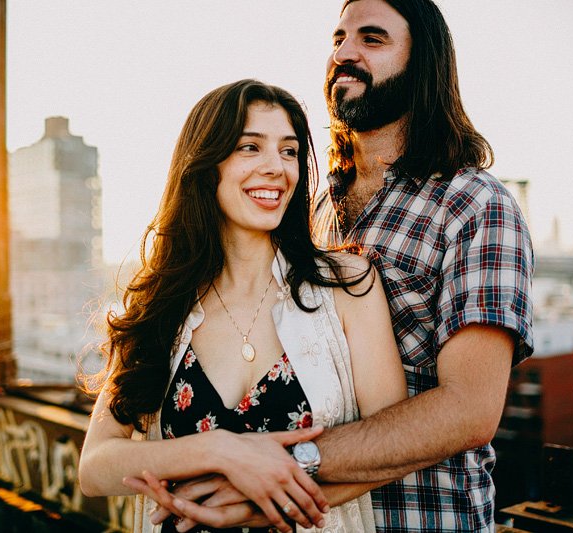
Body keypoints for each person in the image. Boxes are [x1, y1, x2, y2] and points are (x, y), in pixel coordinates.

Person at [129, 1, 534, 531]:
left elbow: (470, 409)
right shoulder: (311, 210)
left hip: (423, 519)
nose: (344, 53)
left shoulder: (474, 205)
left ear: (424, 62)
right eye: (338, 38)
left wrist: (271, 468)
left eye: (372, 39)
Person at [78, 79, 407, 533]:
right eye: (250, 147)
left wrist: (259, 503)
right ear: (205, 164)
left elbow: (395, 446)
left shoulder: (347, 285)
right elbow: (95, 466)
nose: (276, 167)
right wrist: (219, 451)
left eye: (289, 151)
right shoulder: (163, 303)